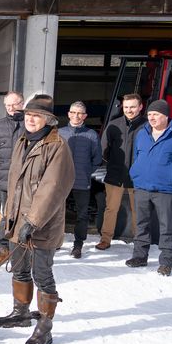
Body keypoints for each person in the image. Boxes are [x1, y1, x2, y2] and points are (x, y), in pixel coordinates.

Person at [3, 94, 74, 344]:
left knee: (42, 274)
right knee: (19, 268)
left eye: (36, 116)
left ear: (48, 120)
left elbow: (53, 188)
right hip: (17, 221)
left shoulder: (58, 146)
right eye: (28, 115)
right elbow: (15, 184)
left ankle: (45, 326)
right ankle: (21, 312)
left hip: (43, 224)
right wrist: (8, 217)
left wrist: (32, 221)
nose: (31, 119)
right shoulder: (22, 140)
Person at [126, 99, 172, 276]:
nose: (151, 118)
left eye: (156, 114)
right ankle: (139, 256)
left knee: (167, 226)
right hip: (142, 187)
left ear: (166, 116)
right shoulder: (142, 134)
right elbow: (136, 157)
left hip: (165, 190)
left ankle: (167, 262)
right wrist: (136, 173)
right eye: (150, 114)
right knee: (141, 224)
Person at [96, 93, 146, 250]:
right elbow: (104, 149)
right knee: (111, 208)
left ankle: (140, 241)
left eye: (132, 107)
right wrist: (113, 163)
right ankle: (105, 239)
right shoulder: (113, 124)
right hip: (115, 174)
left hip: (139, 176)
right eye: (126, 107)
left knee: (138, 210)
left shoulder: (147, 126)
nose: (129, 110)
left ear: (140, 107)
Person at [58, 101, 102, 259]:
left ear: (85, 116)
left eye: (80, 113)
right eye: (73, 112)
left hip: (82, 182)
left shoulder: (92, 134)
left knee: (81, 215)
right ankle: (56, 241)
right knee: (57, 212)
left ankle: (78, 245)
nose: (76, 116)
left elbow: (97, 160)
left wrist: (85, 172)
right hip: (61, 182)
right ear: (69, 114)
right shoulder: (59, 133)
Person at [0, 91, 25, 265]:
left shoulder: (30, 123)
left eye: (14, 105)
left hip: (25, 180)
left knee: (25, 215)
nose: (10, 108)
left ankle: (22, 248)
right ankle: (4, 248)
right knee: (6, 215)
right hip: (4, 179)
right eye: (7, 105)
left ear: (22, 104)